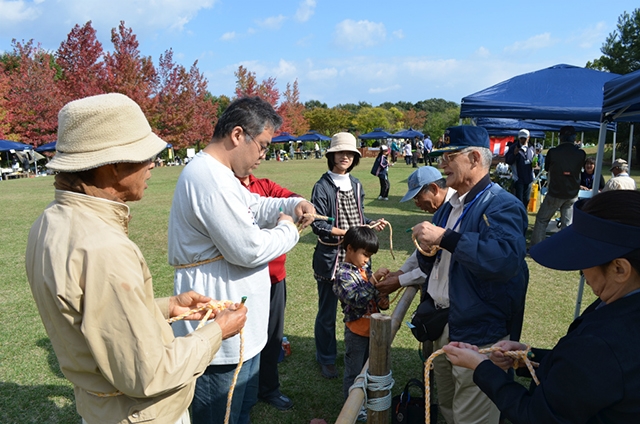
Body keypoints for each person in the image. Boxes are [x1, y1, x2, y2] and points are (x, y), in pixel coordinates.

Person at [25, 93, 248, 424]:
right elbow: (149, 373)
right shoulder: (104, 248)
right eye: (145, 156)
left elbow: (92, 315)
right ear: (112, 168)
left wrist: (165, 306)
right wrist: (217, 330)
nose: (152, 164)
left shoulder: (49, 222)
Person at [168, 96, 316, 424]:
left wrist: (293, 204)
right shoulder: (207, 177)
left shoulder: (221, 175)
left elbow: (255, 203)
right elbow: (248, 250)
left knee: (240, 413)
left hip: (240, 332)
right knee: (219, 416)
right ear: (238, 135)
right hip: (219, 335)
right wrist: (289, 229)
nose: (264, 156)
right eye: (262, 146)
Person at [443, 190, 640, 424]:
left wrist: (481, 367)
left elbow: (535, 415)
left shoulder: (601, 343)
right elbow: (590, 375)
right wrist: (528, 357)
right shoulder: (622, 310)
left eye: (585, 261)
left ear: (620, 269)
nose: (583, 274)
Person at [411, 125, 529, 424]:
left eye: (449, 156)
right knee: (449, 407)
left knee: (473, 415)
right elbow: (440, 264)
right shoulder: (450, 206)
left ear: (475, 158)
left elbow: (505, 259)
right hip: (445, 325)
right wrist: (428, 251)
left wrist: (445, 238)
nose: (442, 164)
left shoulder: (502, 203)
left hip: (478, 332)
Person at [311, 132, 386, 380]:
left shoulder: (356, 184)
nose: (345, 157)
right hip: (333, 258)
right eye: (341, 152)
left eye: (350, 153)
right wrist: (350, 234)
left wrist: (370, 225)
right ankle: (326, 358)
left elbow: (360, 216)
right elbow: (318, 225)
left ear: (354, 158)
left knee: (359, 305)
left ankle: (356, 351)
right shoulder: (321, 186)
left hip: (358, 257)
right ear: (331, 155)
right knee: (327, 311)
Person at [236, 173, 299, 411]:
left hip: (274, 277)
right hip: (245, 281)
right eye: (259, 147)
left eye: (264, 149)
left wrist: (301, 204)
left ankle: (269, 388)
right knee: (243, 338)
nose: (260, 155)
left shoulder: (264, 185)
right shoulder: (226, 185)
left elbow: (290, 199)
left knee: (273, 336)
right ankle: (242, 394)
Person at [375, 166, 455, 297]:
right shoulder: (440, 210)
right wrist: (402, 272)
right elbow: (425, 250)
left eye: (418, 197)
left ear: (434, 189)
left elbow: (442, 261)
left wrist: (400, 280)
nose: (417, 204)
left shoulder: (457, 207)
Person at [333, 227, 390, 401]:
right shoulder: (343, 275)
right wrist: (373, 281)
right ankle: (351, 408)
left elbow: (373, 295)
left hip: (372, 330)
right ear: (349, 249)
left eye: (370, 256)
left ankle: (364, 402)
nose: (367, 260)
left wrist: (382, 299)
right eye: (365, 254)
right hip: (356, 333)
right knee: (354, 373)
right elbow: (356, 298)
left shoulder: (364, 271)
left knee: (370, 369)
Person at [530, 126, 585, 246]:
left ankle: (537, 245)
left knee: (542, 219)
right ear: (574, 138)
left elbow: (547, 168)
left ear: (560, 138)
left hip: (556, 191)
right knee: (567, 224)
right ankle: (565, 247)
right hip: (572, 192)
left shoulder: (553, 152)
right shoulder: (581, 153)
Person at [505, 129, 535, 206]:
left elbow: (534, 159)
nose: (523, 140)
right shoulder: (513, 147)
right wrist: (514, 154)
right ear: (518, 138)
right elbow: (508, 161)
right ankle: (519, 216)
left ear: (528, 137)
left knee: (527, 200)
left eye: (524, 138)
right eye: (521, 138)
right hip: (518, 179)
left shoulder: (531, 147)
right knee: (519, 200)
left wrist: (535, 164)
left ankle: (523, 215)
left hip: (529, 178)